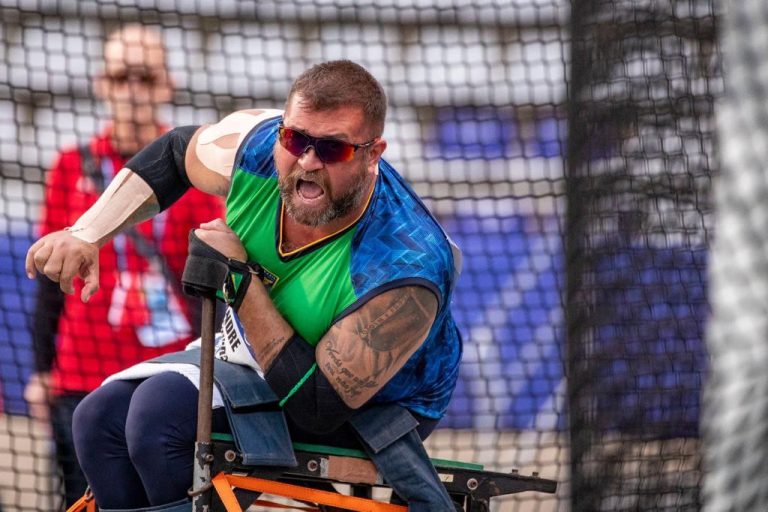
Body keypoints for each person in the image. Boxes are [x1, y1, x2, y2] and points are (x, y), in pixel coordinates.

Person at [26, 60, 462, 511]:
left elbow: (318, 405)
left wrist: (240, 282)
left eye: (332, 150)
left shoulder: (406, 265)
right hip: (259, 351)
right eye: (296, 140)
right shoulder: (257, 148)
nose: (307, 162)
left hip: (369, 403)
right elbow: (178, 151)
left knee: (158, 418)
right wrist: (86, 233)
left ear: (373, 153)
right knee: (96, 419)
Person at [23, 24, 223, 508]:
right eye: (121, 77)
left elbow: (212, 283)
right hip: (80, 372)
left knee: (168, 499)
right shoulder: (71, 166)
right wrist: (42, 370)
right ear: (102, 84)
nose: (133, 90)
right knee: (80, 499)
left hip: (167, 377)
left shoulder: (196, 171)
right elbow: (49, 286)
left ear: (166, 85)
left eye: (145, 77)